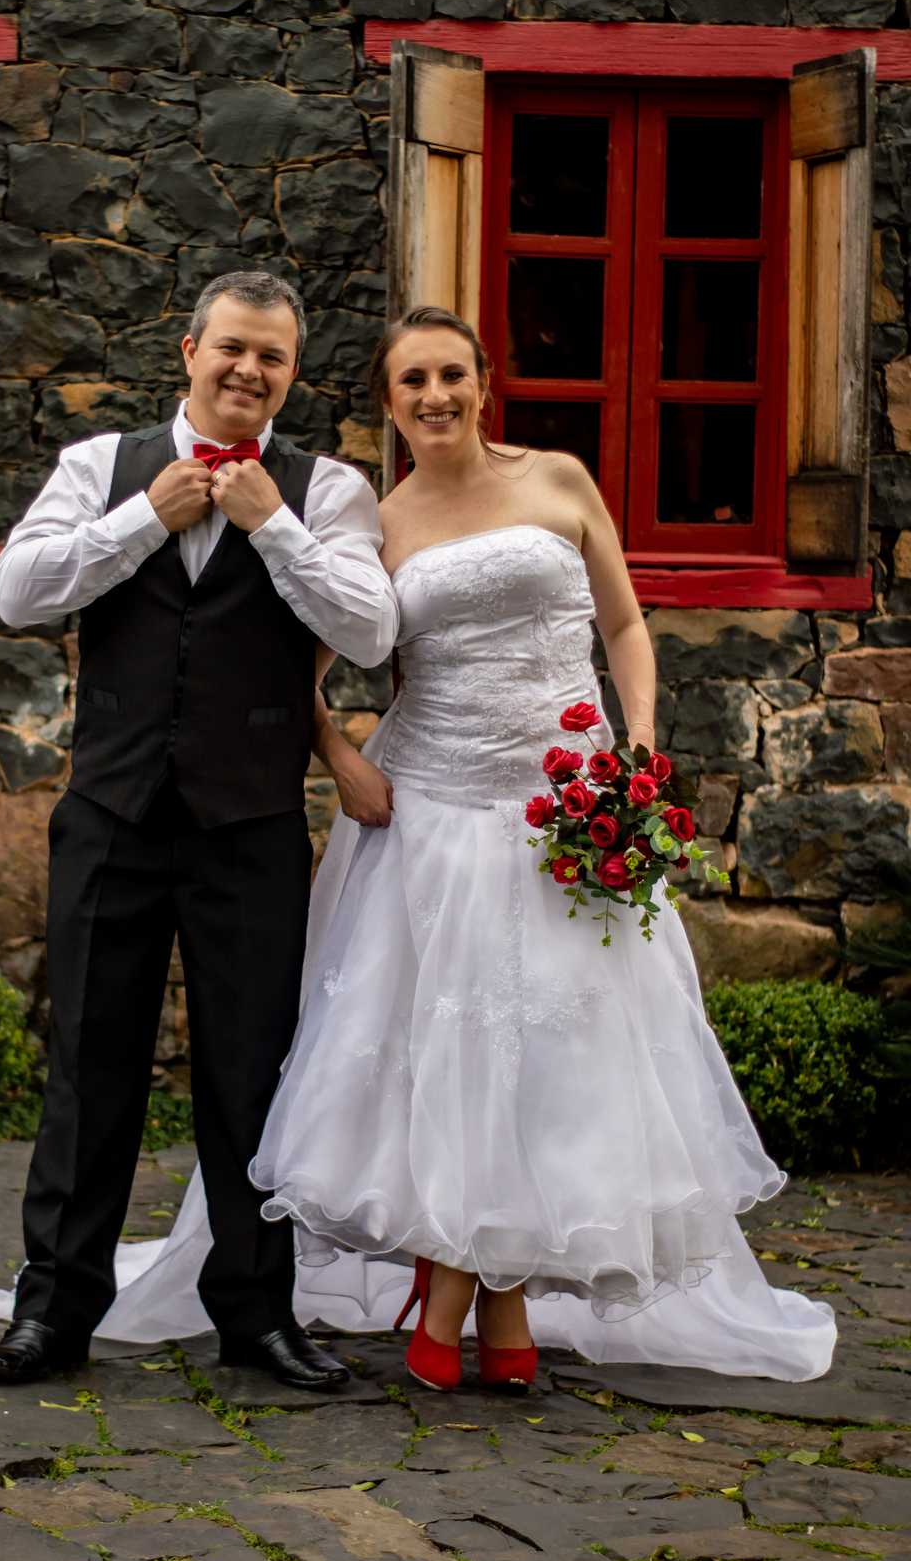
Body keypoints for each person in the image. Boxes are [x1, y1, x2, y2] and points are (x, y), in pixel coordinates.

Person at [248, 304, 836, 1389]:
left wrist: (641, 746)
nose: (435, 396)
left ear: (484, 383)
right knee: (454, 1056)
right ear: (388, 402)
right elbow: (305, 669)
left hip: (566, 811)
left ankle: (469, 1292)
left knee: (550, 1061)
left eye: (452, 375)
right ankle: (486, 1304)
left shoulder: (559, 479)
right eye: (411, 380)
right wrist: (340, 753)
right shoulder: (379, 523)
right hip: (432, 812)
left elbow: (622, 627)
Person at [0, 270, 398, 1389]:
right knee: (88, 1066)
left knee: (253, 1075)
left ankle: (257, 1310)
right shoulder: (97, 467)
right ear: (190, 348)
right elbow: (17, 589)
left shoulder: (330, 490)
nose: (249, 371)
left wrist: (274, 529)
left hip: (250, 823)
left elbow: (366, 624)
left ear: (291, 375)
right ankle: (55, 1306)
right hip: (110, 813)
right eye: (233, 349)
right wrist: (141, 519)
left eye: (273, 357)